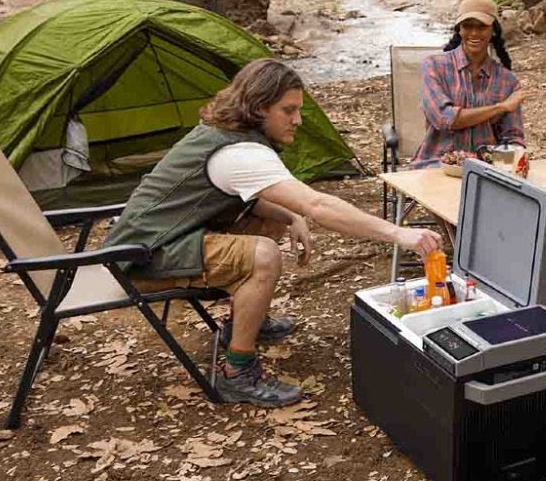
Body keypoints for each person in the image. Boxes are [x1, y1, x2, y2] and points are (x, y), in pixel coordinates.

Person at [104, 59, 442, 408]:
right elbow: (319, 206)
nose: (297, 120)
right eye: (289, 110)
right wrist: (398, 234)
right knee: (263, 255)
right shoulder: (239, 152)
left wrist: (291, 215)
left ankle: (248, 321)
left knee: (277, 218)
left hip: (160, 240)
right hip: (140, 258)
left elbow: (249, 197)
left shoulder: (227, 134)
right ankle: (238, 371)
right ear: (258, 107)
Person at [412, 0, 526, 166]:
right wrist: (499, 107)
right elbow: (445, 119)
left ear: (493, 30)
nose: (474, 33)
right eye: (468, 26)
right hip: (436, 164)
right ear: (459, 29)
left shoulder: (508, 81)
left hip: (487, 168)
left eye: (481, 27)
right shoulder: (434, 66)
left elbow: (513, 138)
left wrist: (504, 166)